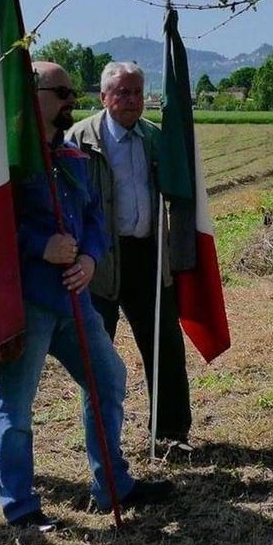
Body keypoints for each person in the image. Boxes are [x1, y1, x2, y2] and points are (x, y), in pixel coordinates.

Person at [0, 62, 173, 531]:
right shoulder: (10, 163)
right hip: (31, 300)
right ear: (34, 97)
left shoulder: (69, 157)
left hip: (75, 298)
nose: (73, 99)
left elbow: (92, 213)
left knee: (109, 378)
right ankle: (20, 506)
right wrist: (40, 245)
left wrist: (90, 257)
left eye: (73, 91)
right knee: (17, 403)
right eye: (63, 91)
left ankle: (111, 485)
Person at [66, 61, 193, 451]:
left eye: (137, 92)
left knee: (165, 346)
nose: (132, 100)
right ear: (104, 97)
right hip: (99, 259)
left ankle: (170, 434)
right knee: (99, 357)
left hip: (147, 255)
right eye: (122, 92)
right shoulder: (80, 140)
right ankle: (104, 442)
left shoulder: (153, 138)